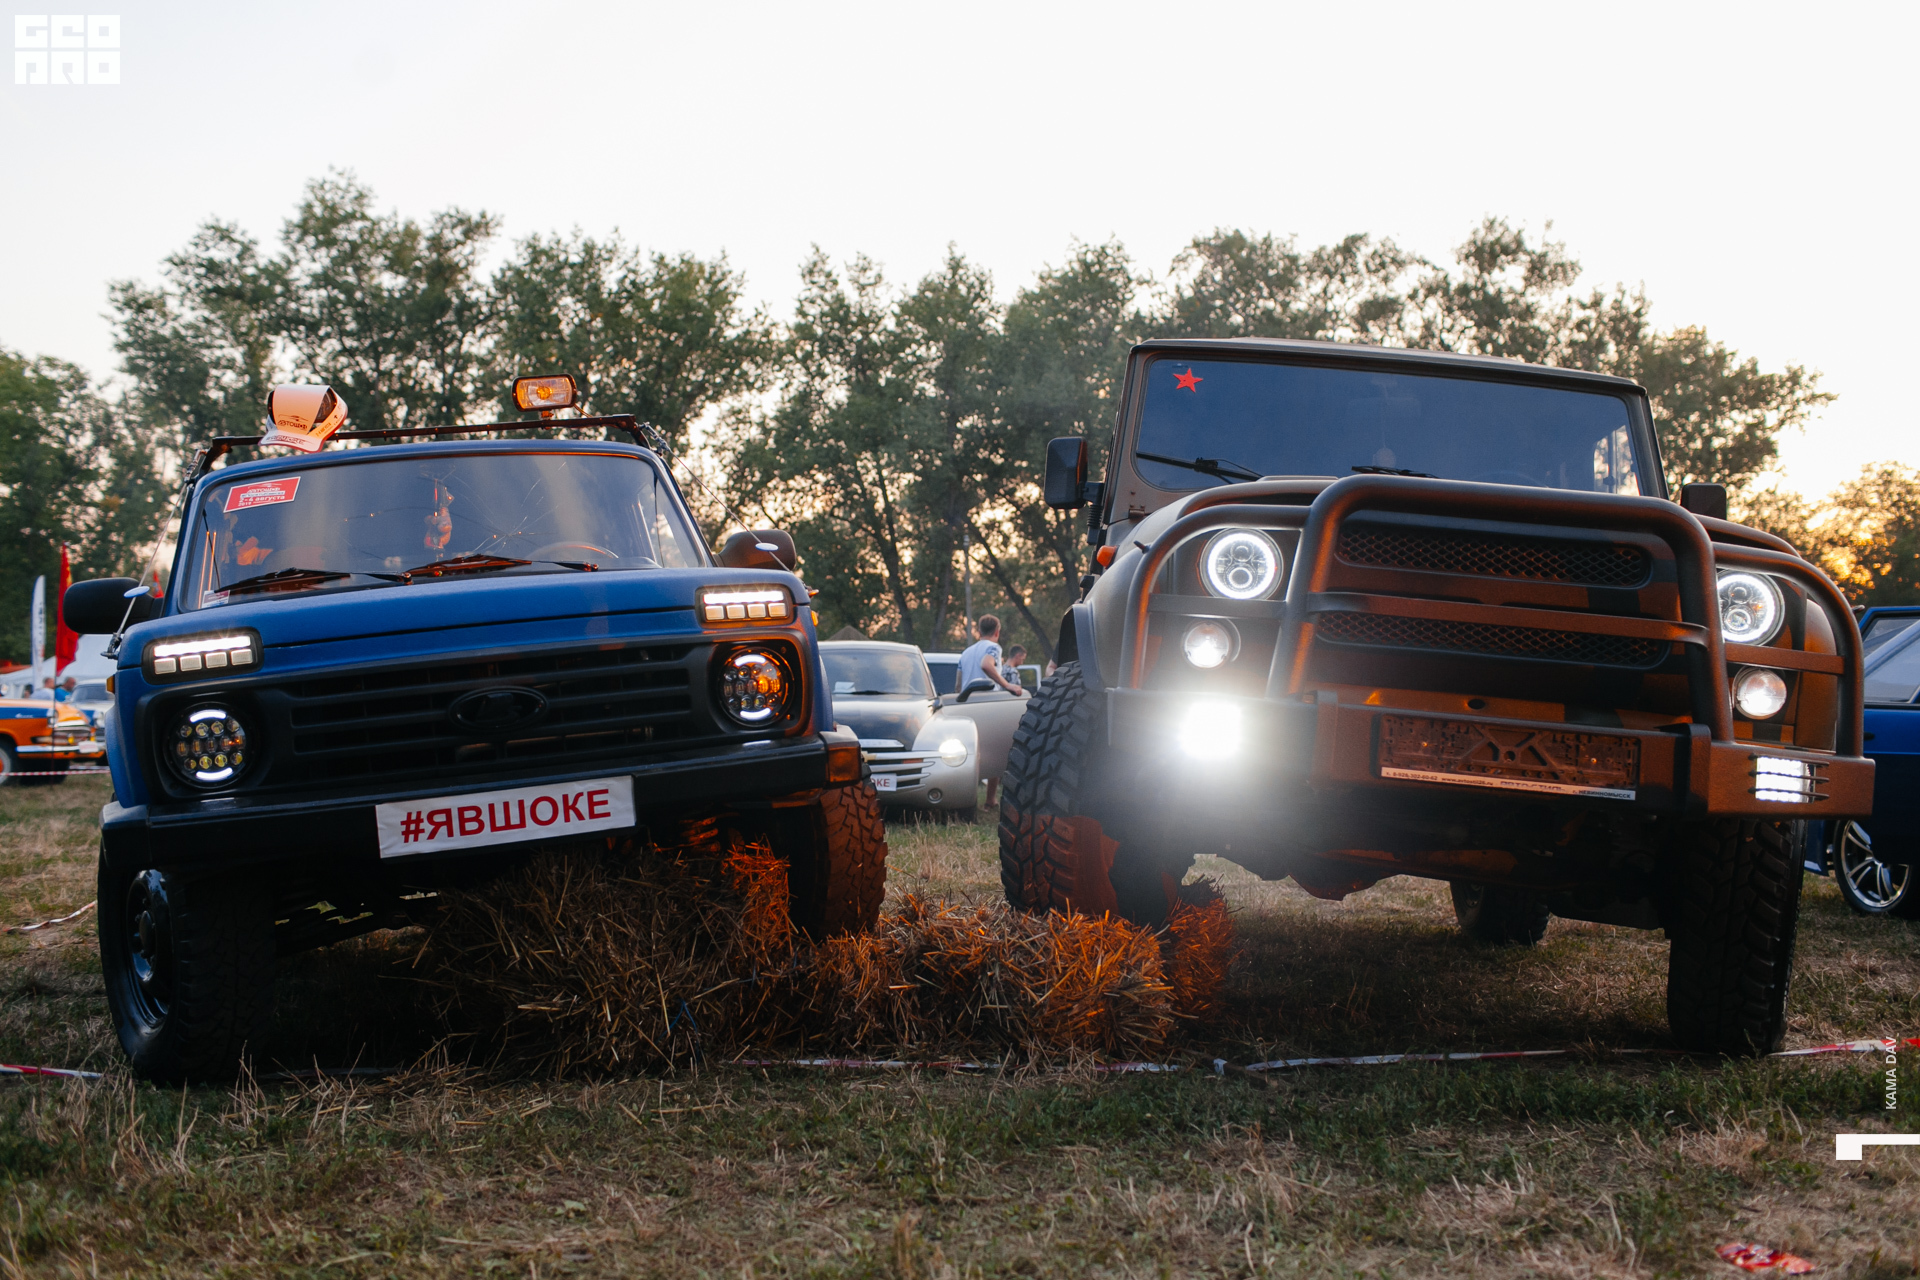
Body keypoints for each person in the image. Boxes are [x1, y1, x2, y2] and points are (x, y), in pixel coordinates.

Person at [957, 616, 1027, 809]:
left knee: (970, 753)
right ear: (997, 631)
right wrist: (1007, 685)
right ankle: (990, 800)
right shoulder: (993, 647)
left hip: (966, 706)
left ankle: (966, 800)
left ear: (979, 631)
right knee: (994, 750)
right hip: (987, 704)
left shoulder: (966, 652)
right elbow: (986, 665)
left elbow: (958, 685)